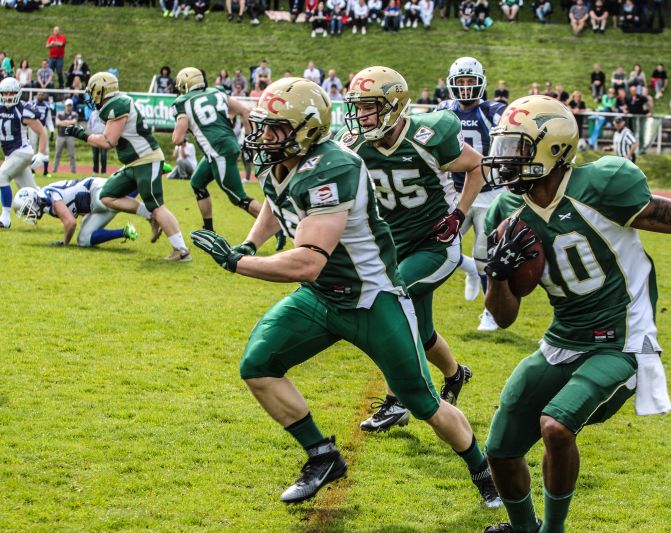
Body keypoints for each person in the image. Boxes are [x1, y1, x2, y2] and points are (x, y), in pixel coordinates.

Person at [479, 95, 671, 533]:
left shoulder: (601, 185)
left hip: (623, 340)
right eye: (504, 147)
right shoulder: (505, 212)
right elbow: (505, 316)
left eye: (516, 148)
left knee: (555, 427)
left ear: (553, 148)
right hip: (562, 340)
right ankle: (524, 529)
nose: (505, 160)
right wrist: (497, 275)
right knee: (501, 447)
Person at [191, 76, 500, 509]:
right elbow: (274, 205)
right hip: (320, 298)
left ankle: (484, 473)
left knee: (423, 402)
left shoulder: (333, 167)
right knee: (258, 365)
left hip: (371, 299)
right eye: (262, 126)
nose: (263, 137)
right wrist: (248, 243)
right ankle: (322, 456)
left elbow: (308, 260)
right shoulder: (281, 160)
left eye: (275, 128)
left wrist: (237, 262)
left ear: (307, 130)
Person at [340, 66, 490, 442]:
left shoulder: (427, 135)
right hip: (395, 247)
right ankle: (456, 374)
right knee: (421, 334)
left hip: (435, 244)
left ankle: (397, 401)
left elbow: (476, 167)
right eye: (357, 108)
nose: (361, 116)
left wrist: (458, 215)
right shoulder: (355, 144)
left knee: (390, 303)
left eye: (369, 107)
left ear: (393, 105)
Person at [63, 72, 191, 261]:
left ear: (101, 90)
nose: (90, 95)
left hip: (146, 159)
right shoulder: (115, 104)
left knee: (158, 206)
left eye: (92, 91)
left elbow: (108, 141)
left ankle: (181, 250)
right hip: (133, 162)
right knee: (106, 195)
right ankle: (149, 215)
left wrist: (82, 134)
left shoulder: (117, 105)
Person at [436, 57, 507, 331]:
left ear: (481, 83)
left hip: (491, 193)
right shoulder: (443, 110)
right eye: (461, 82)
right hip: (457, 193)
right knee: (435, 246)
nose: (465, 87)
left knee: (484, 254)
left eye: (470, 81)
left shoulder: (492, 110)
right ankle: (468, 269)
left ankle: (490, 312)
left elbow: (512, 122)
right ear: (452, 84)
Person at [171, 67, 261, 232]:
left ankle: (277, 226)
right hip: (225, 146)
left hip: (218, 151)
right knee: (197, 183)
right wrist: (249, 140)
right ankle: (208, 229)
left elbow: (177, 139)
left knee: (238, 198)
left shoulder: (182, 102)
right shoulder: (216, 92)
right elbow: (245, 111)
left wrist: (182, 126)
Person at [12, 178, 139, 247]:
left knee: (111, 202)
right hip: (92, 204)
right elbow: (76, 209)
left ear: (32, 201)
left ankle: (145, 177)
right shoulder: (46, 204)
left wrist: (65, 243)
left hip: (95, 190)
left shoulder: (46, 196)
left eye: (27, 209)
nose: (28, 213)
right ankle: (126, 231)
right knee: (84, 240)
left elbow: (70, 223)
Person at [0, 77, 48, 228]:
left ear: (18, 93)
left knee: (1, 176)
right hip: (11, 155)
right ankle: (62, 206)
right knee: (34, 194)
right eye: (5, 93)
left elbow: (43, 132)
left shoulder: (23, 111)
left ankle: (5, 219)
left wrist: (41, 153)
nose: (8, 96)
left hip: (22, 152)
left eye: (11, 93)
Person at [29, 91, 54, 177]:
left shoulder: (47, 106)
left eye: (42, 94)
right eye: (39, 94)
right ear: (36, 95)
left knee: (45, 149)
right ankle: (31, 170)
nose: (40, 96)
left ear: (44, 96)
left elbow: (49, 120)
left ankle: (46, 171)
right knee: (32, 148)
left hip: (43, 127)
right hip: (33, 127)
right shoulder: (32, 104)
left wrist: (52, 131)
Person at [53, 100, 79, 174]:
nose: (69, 107)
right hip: (60, 136)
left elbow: (74, 122)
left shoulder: (74, 114)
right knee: (57, 153)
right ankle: (54, 169)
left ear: (72, 106)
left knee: (72, 154)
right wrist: (68, 122)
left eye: (70, 105)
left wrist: (63, 122)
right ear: (65, 106)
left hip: (70, 136)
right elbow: (57, 123)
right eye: (68, 105)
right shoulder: (59, 113)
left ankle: (73, 170)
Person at [87, 108, 108, 174]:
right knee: (95, 155)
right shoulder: (92, 113)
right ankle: (95, 171)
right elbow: (89, 125)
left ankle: (103, 171)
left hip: (103, 136)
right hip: (94, 136)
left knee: (104, 155)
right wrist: (90, 135)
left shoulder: (106, 112)